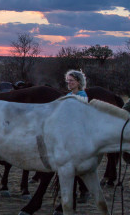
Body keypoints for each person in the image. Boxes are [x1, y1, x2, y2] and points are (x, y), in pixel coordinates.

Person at [65, 69, 90, 203]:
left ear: (79, 82)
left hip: (77, 134)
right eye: (68, 81)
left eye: (72, 81)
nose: (69, 83)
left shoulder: (82, 95)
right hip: (67, 132)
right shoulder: (69, 94)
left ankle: (82, 190)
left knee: (74, 166)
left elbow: (78, 115)